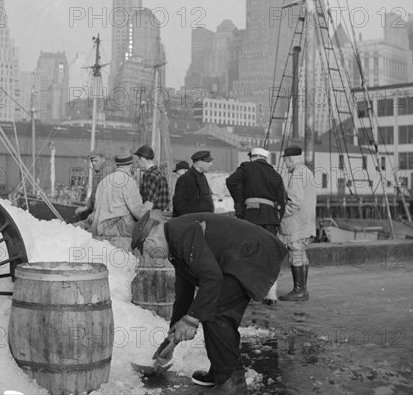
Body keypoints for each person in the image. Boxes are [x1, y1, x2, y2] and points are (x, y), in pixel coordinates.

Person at [131, 211, 288, 394]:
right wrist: (171, 337)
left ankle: (231, 381)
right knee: (211, 311)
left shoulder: (181, 233)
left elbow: (212, 278)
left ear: (150, 241)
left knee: (217, 314)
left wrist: (191, 320)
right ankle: (221, 372)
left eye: (147, 252)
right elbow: (184, 293)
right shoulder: (175, 242)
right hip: (240, 258)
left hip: (253, 254)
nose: (150, 256)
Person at [225, 147, 286, 304]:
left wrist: (240, 201)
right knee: (269, 255)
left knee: (249, 254)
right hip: (271, 219)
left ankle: (250, 292)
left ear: (252, 157)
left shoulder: (247, 167)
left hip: (252, 216)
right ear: (265, 158)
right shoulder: (275, 174)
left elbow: (231, 181)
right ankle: (271, 294)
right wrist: (277, 218)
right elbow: (282, 200)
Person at [278, 145, 316, 302]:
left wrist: (280, 214)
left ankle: (299, 290)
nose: (286, 164)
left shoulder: (298, 173)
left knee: (296, 254)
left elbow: (295, 202)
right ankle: (302, 290)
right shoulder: (307, 171)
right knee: (301, 254)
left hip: (296, 223)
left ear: (290, 159)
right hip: (305, 222)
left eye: (286, 161)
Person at [89, 153, 149, 250]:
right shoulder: (128, 181)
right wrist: (151, 221)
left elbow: (96, 208)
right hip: (120, 234)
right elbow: (137, 211)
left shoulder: (103, 181)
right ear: (130, 165)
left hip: (100, 231)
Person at [172, 151, 215, 217]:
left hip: (203, 219)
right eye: (208, 162)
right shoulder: (186, 179)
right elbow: (180, 204)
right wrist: (192, 218)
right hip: (191, 221)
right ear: (198, 164)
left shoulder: (202, 177)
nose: (211, 164)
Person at [134, 144, 170, 213]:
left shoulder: (149, 175)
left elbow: (149, 203)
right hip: (161, 213)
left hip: (153, 214)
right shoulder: (159, 173)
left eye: (139, 158)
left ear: (142, 159)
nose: (138, 161)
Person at [74, 149, 108, 222]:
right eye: (92, 161)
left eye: (96, 161)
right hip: (97, 212)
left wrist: (95, 212)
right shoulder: (97, 174)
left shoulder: (106, 174)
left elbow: (106, 198)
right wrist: (86, 207)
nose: (93, 163)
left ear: (103, 159)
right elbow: (94, 194)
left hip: (104, 216)